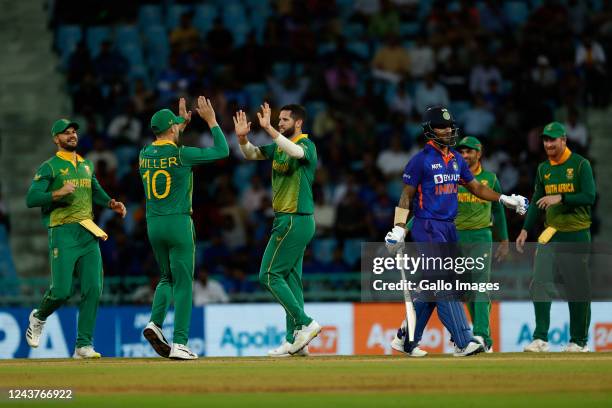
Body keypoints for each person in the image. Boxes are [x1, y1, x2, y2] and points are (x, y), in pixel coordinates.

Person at [385, 106, 528, 357]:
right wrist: (398, 228)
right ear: (430, 130)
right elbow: (406, 197)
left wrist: (503, 198)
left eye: (450, 126)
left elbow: (476, 188)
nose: (448, 130)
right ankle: (464, 341)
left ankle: (406, 339)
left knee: (431, 287)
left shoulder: (456, 159)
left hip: (449, 228)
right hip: (428, 226)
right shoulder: (420, 160)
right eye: (442, 126)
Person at [25, 118, 127, 359]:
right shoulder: (49, 167)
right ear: (55, 139)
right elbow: (31, 198)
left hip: (87, 231)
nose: (72, 135)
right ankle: (38, 316)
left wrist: (110, 203)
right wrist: (57, 193)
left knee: (93, 289)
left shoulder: (86, 164)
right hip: (62, 232)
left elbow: (94, 188)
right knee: (61, 291)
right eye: (65, 133)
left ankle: (83, 345)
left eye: (73, 132)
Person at [140, 97, 229, 360]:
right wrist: (211, 120)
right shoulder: (182, 154)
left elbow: (165, 150)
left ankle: (155, 322)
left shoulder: (144, 154)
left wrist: (181, 126)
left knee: (166, 277)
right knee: (184, 283)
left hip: (153, 224)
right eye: (176, 125)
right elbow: (222, 150)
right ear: (170, 129)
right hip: (178, 222)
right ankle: (180, 342)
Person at [234, 103, 320, 357]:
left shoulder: (307, 145)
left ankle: (305, 322)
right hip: (290, 220)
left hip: (295, 219)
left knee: (268, 275)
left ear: (299, 122)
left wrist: (270, 130)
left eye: (284, 119)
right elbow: (251, 154)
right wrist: (242, 139)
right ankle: (294, 340)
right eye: (278, 120)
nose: (280, 122)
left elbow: (295, 152)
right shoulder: (278, 147)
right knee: (291, 281)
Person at [517, 122, 596, 353]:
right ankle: (540, 338)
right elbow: (536, 201)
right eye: (545, 140)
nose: (548, 144)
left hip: (577, 233)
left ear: (564, 140)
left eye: (553, 140)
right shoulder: (543, 169)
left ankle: (578, 341)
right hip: (550, 233)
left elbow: (589, 196)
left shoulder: (581, 165)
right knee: (539, 282)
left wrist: (561, 197)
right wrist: (524, 229)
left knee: (576, 289)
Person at [456, 136, 509, 353]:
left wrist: (504, 239)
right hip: (457, 238)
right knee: (466, 291)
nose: (465, 155)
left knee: (480, 286)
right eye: (462, 152)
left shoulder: (490, 179)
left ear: (479, 154)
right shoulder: (453, 178)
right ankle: (482, 337)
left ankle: (481, 336)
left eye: (470, 151)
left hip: (481, 237)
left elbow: (498, 210)